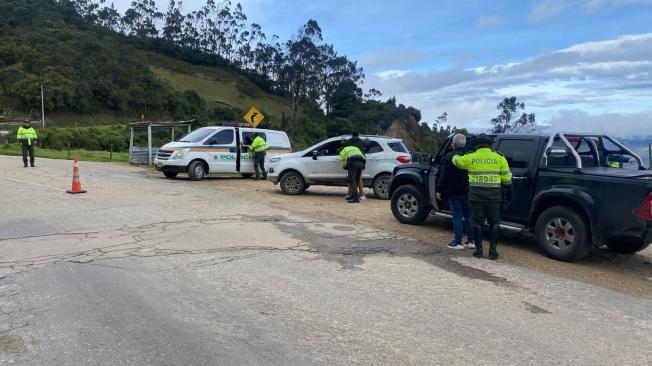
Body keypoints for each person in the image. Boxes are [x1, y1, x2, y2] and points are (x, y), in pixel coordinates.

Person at [452, 134, 512, 260]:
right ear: (490, 146)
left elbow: (456, 162)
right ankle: (492, 251)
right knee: (495, 223)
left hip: (476, 196)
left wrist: (457, 153)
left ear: (476, 146)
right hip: (494, 197)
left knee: (477, 222)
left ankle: (478, 251)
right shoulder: (499, 158)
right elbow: (507, 179)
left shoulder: (471, 157)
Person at [436, 134, 474, 250]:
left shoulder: (449, 157)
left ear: (454, 144)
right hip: (468, 191)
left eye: (452, 143)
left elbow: (444, 176)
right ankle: (471, 241)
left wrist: (439, 190)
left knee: (457, 216)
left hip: (453, 191)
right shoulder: (469, 157)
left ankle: (457, 242)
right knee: (468, 215)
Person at [341, 132, 368, 200]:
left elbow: (342, 144)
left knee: (351, 179)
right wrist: (367, 139)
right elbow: (368, 144)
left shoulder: (349, 141)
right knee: (359, 178)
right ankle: (361, 195)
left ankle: (349, 195)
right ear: (358, 135)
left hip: (352, 161)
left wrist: (342, 139)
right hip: (361, 160)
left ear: (352, 135)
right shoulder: (361, 141)